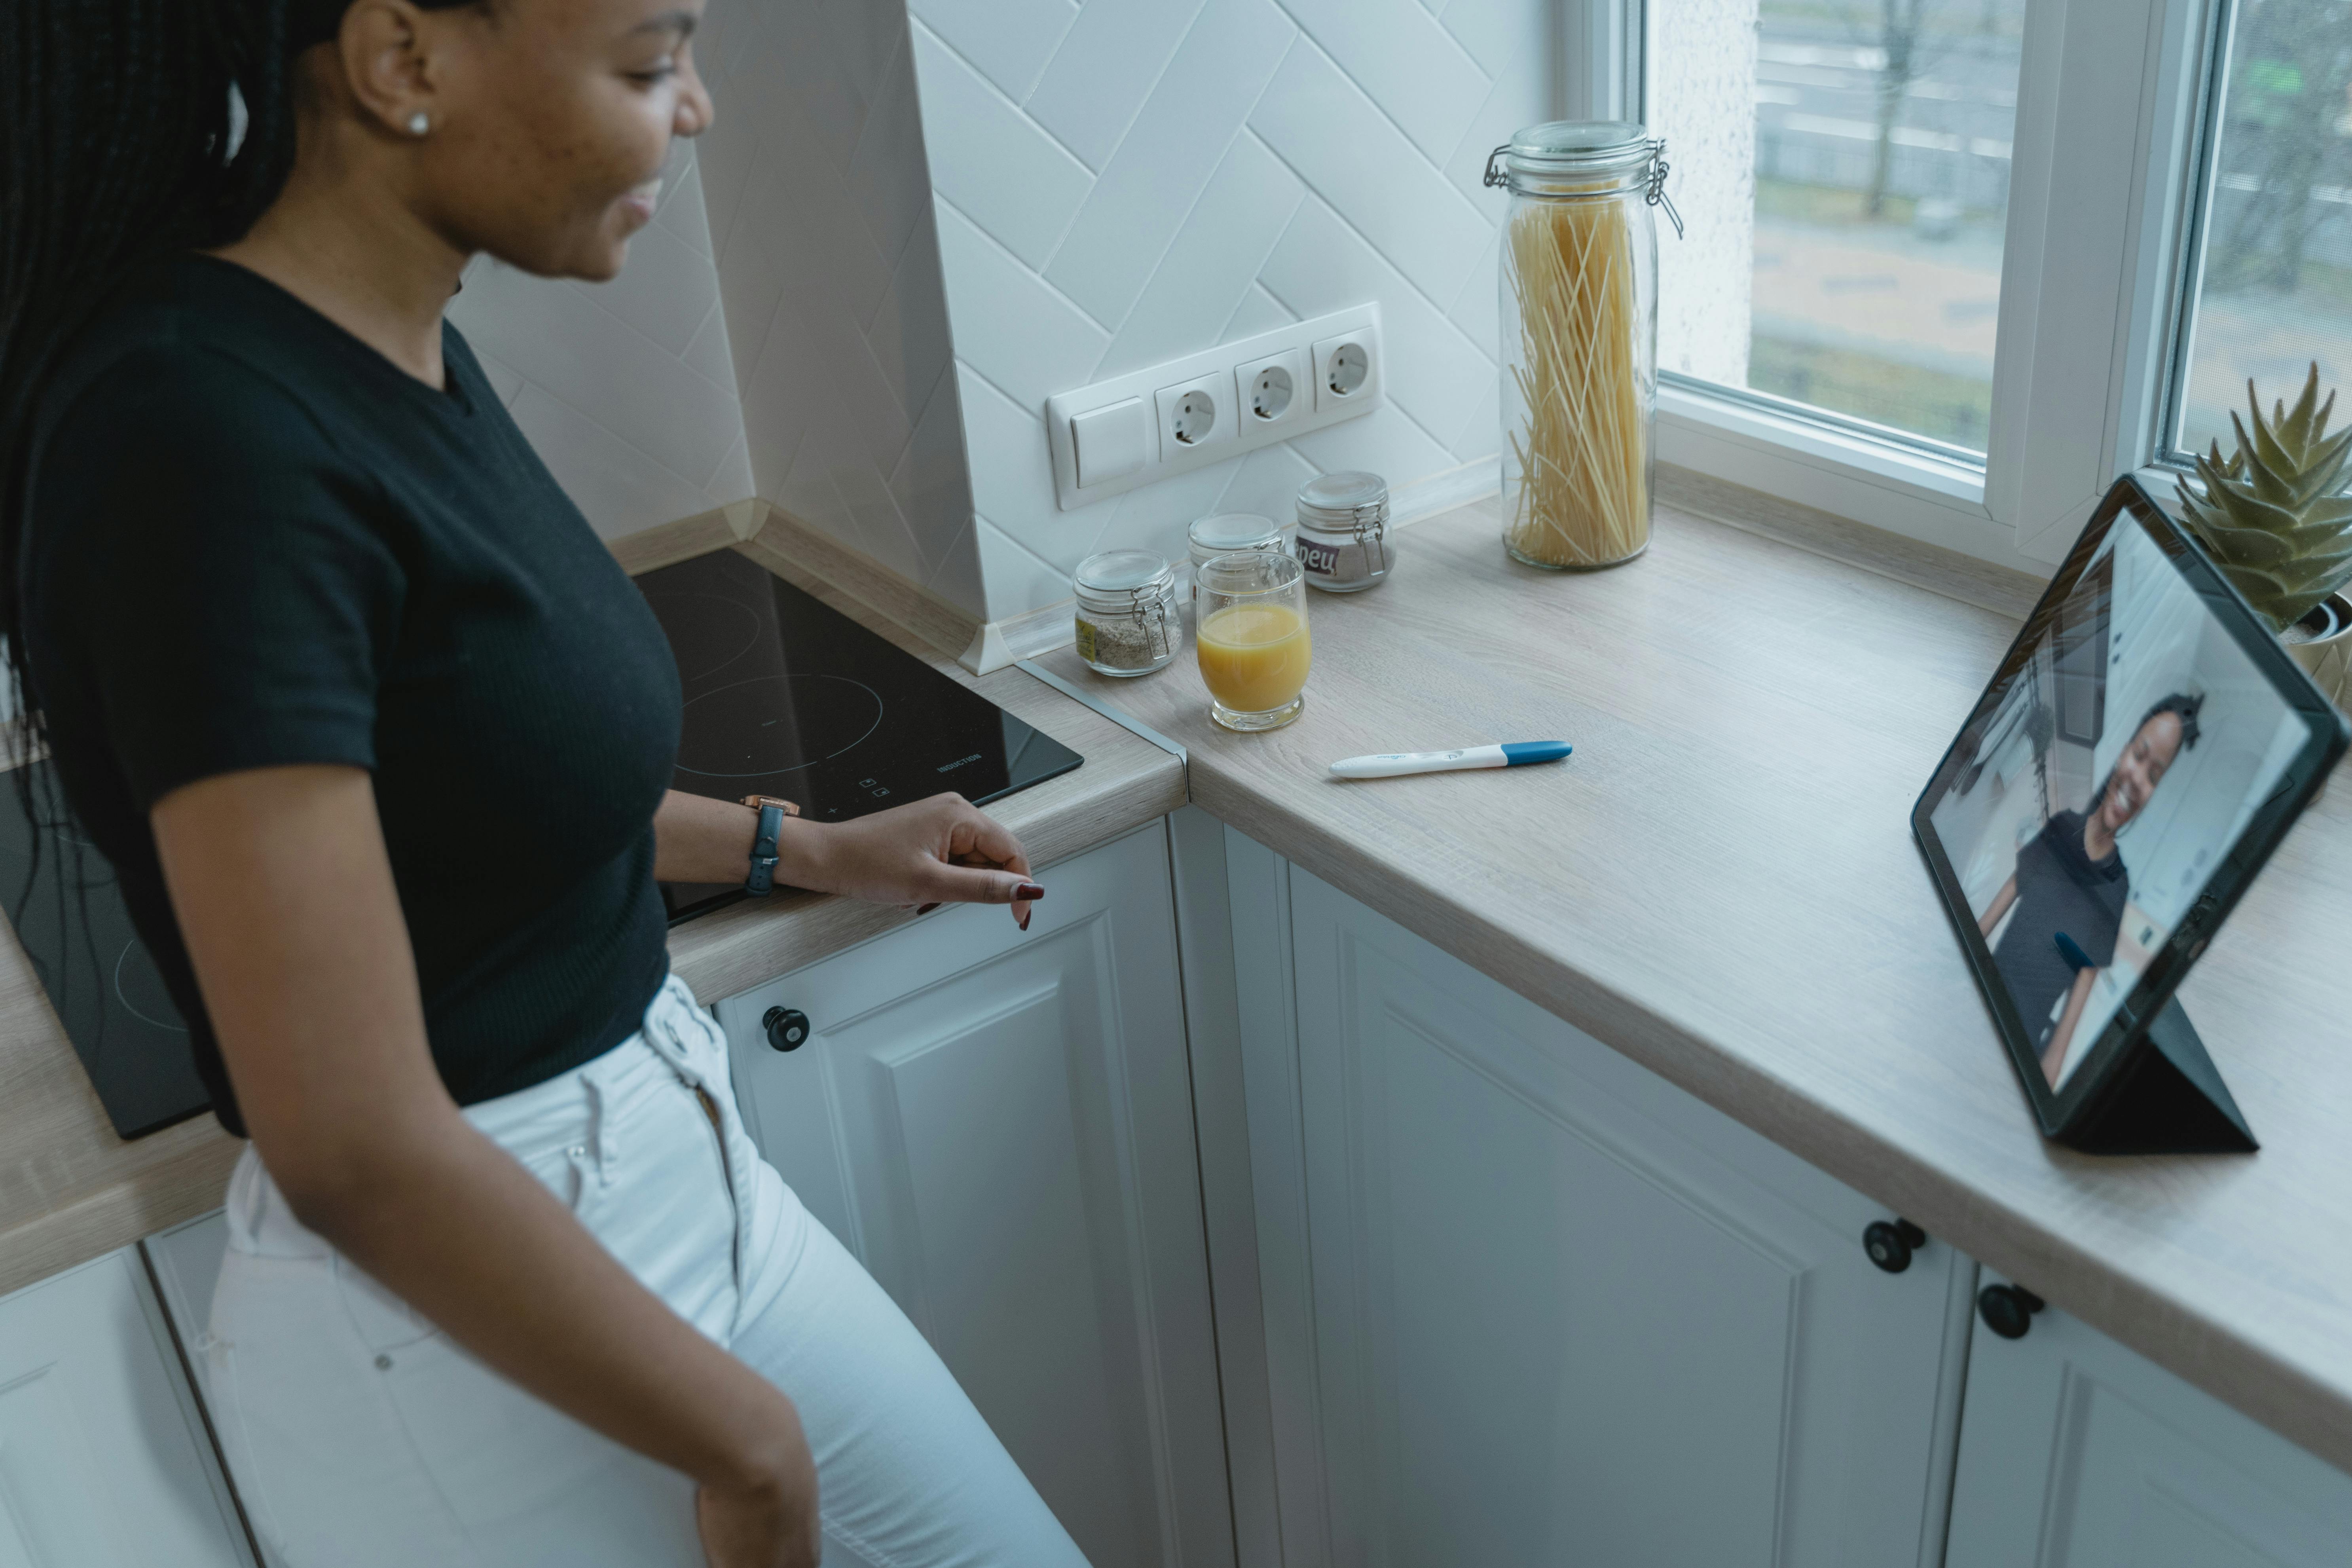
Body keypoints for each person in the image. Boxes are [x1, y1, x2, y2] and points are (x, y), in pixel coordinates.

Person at [0, 4, 1091, 1566]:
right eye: (650, 66)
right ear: (402, 61)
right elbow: (350, 1139)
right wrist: (753, 1450)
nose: (696, 111)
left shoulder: (385, 330)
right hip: (456, 1319)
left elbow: (471, 787)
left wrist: (814, 846)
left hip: (661, 1172)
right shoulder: (199, 433)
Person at [1976, 694, 2202, 1088]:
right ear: (2121, 754)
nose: (2137, 778)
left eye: (2153, 776)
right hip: (1981, 997)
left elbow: (2079, 994)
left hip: (2018, 1049)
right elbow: (2011, 889)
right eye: (2139, 755)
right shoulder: (2061, 827)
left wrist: (2046, 1083)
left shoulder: (2117, 888)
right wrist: (1960, 956)